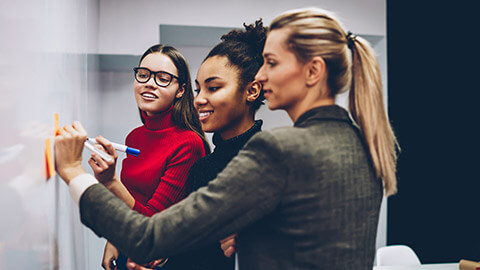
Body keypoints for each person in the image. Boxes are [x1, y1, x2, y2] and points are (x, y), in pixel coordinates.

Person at [54, 7, 399, 270]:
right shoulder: (363, 143)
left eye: (272, 63)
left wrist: (74, 172)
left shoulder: (278, 149)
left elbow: (149, 238)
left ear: (313, 72)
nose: (262, 76)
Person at [88, 44, 208, 270]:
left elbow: (152, 221)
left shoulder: (189, 143)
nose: (149, 83)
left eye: (163, 78)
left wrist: (110, 181)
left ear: (181, 90)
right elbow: (130, 200)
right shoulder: (134, 137)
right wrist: (114, 238)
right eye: (143, 75)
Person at [163, 20, 266, 270]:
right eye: (199, 89)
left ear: (252, 91)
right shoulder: (204, 168)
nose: (199, 100)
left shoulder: (268, 161)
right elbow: (194, 253)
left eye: (214, 87)